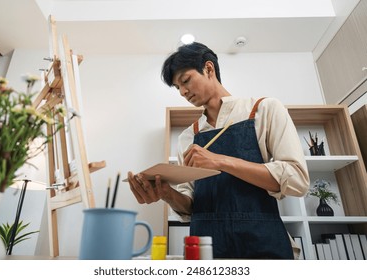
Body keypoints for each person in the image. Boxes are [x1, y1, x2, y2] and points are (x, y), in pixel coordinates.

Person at [127, 42, 309, 259]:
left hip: (262, 243)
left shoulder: (263, 110)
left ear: (209, 69)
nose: (183, 92)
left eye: (186, 80)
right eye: (177, 87)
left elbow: (297, 180)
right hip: (207, 249)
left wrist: (221, 161)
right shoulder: (188, 136)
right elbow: (190, 207)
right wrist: (167, 194)